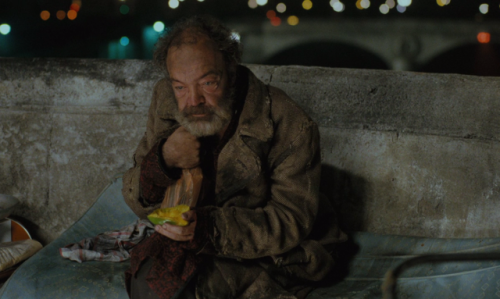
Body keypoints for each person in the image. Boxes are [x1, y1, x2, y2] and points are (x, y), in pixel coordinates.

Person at [122, 15, 346, 299]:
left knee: (195, 291)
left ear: (231, 69)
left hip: (268, 253)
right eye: (180, 86)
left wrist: (207, 228)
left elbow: (290, 221)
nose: (193, 101)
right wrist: (164, 159)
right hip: (193, 242)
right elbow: (139, 198)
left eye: (208, 83)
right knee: (147, 283)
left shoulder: (290, 123)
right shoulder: (166, 100)